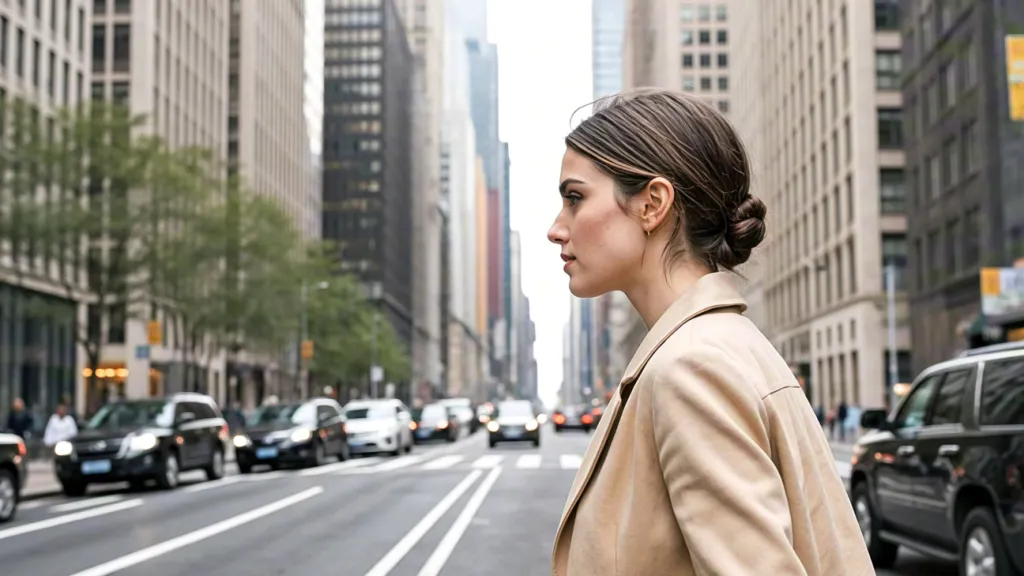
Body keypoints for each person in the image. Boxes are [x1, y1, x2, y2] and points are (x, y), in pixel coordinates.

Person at [547, 88, 872, 576]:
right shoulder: (721, 345)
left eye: (575, 198)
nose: (556, 227)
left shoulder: (690, 368)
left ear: (652, 203)